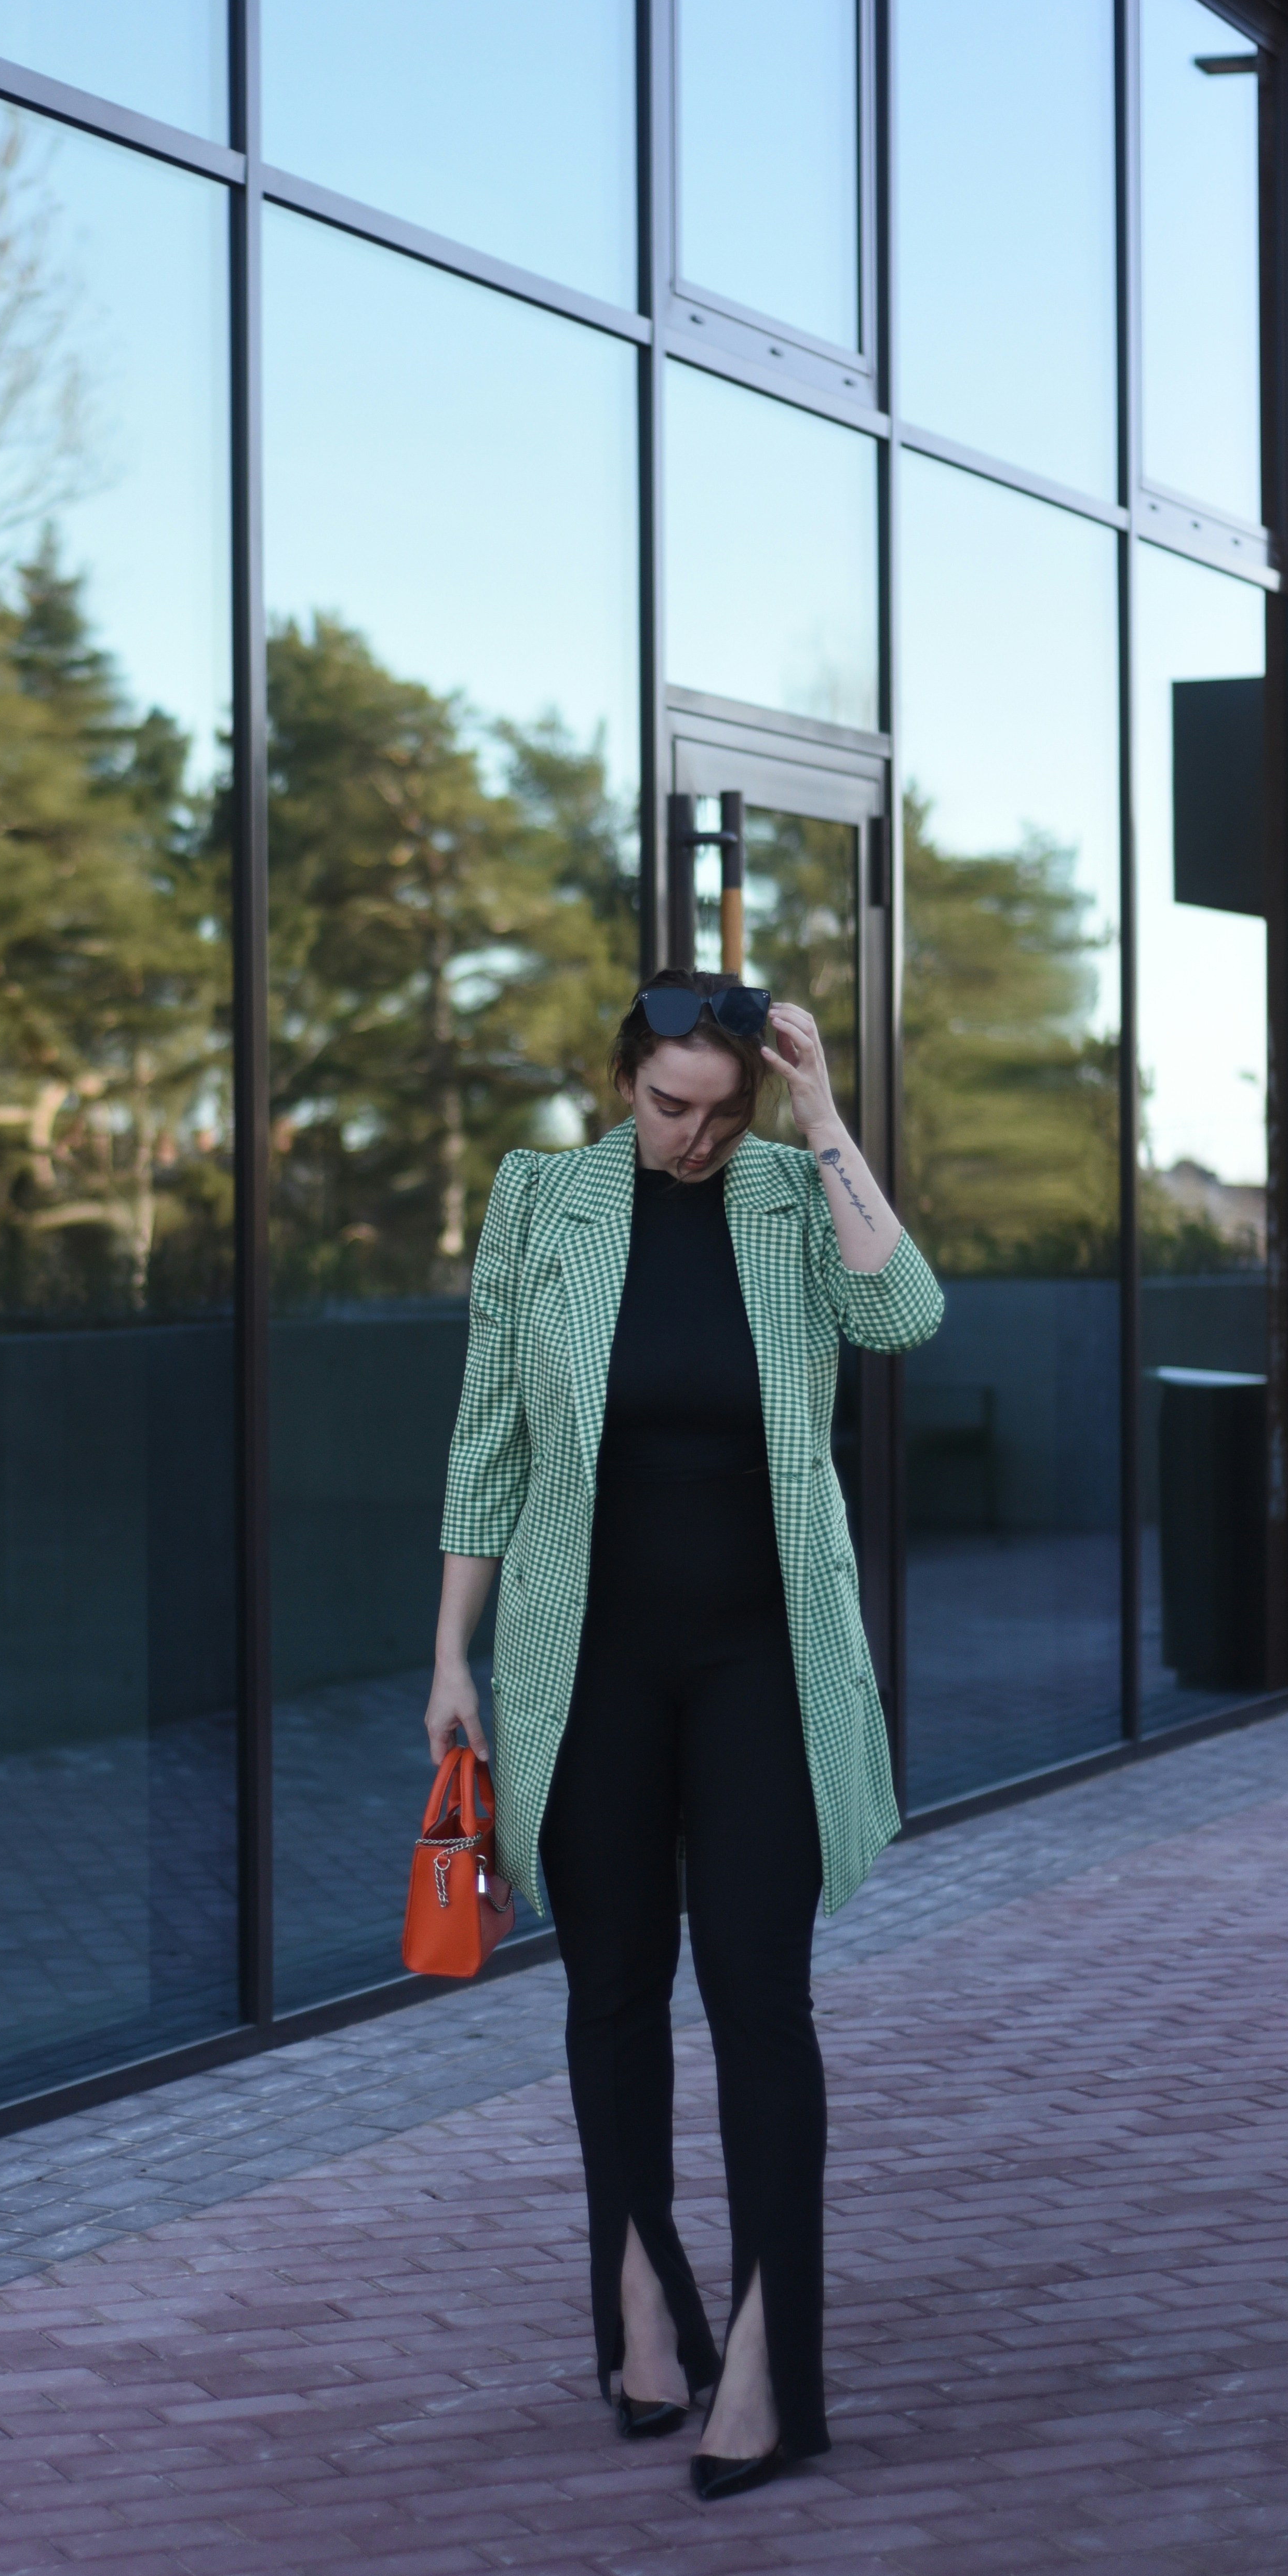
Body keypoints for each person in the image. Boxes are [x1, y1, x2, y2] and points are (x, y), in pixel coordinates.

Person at [426, 970, 943, 2497]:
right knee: (612, 1992)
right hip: (582, 1659)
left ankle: (773, 2366)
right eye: (669, 1107)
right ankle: (643, 2309)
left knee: (759, 2000)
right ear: (624, 1083)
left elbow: (905, 1314)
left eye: (723, 1113)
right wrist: (448, 1654)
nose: (695, 1140)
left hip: (765, 1661)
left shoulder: (792, 1194)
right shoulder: (542, 1203)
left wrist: (824, 1116)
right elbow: (489, 1438)